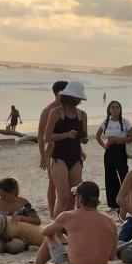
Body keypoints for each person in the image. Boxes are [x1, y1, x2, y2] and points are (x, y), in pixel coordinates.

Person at [25, 181, 119, 264]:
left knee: (49, 237)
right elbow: (111, 256)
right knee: (64, 260)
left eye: (75, 196)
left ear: (80, 199)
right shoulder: (110, 221)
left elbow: (45, 232)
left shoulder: (68, 216)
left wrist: (63, 228)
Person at [43, 81, 89, 215]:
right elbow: (48, 137)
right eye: (76, 97)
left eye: (79, 98)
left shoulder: (82, 115)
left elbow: (84, 138)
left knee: (73, 195)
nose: (78, 100)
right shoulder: (55, 112)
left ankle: (65, 226)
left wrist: (83, 138)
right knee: (62, 197)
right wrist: (67, 135)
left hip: (75, 156)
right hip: (59, 156)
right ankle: (55, 228)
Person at [0, 177, 43, 254]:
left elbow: (37, 221)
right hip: (1, 235)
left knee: (17, 247)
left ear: (13, 192)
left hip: (18, 235)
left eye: (4, 195)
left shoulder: (23, 203)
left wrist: (21, 217)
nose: (2, 198)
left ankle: (5, 247)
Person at [95, 100, 132, 210]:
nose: (115, 109)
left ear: (120, 109)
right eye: (113, 107)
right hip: (109, 151)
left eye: (117, 107)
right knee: (110, 177)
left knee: (123, 175)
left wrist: (118, 139)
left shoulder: (125, 121)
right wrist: (104, 146)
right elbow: (97, 136)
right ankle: (113, 203)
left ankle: (126, 200)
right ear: (109, 110)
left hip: (121, 151)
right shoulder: (106, 122)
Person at [38, 80, 68, 215]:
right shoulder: (48, 110)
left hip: (68, 148)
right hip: (52, 149)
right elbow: (41, 136)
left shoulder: (67, 108)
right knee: (53, 182)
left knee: (68, 182)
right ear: (59, 93)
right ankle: (51, 212)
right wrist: (43, 157)